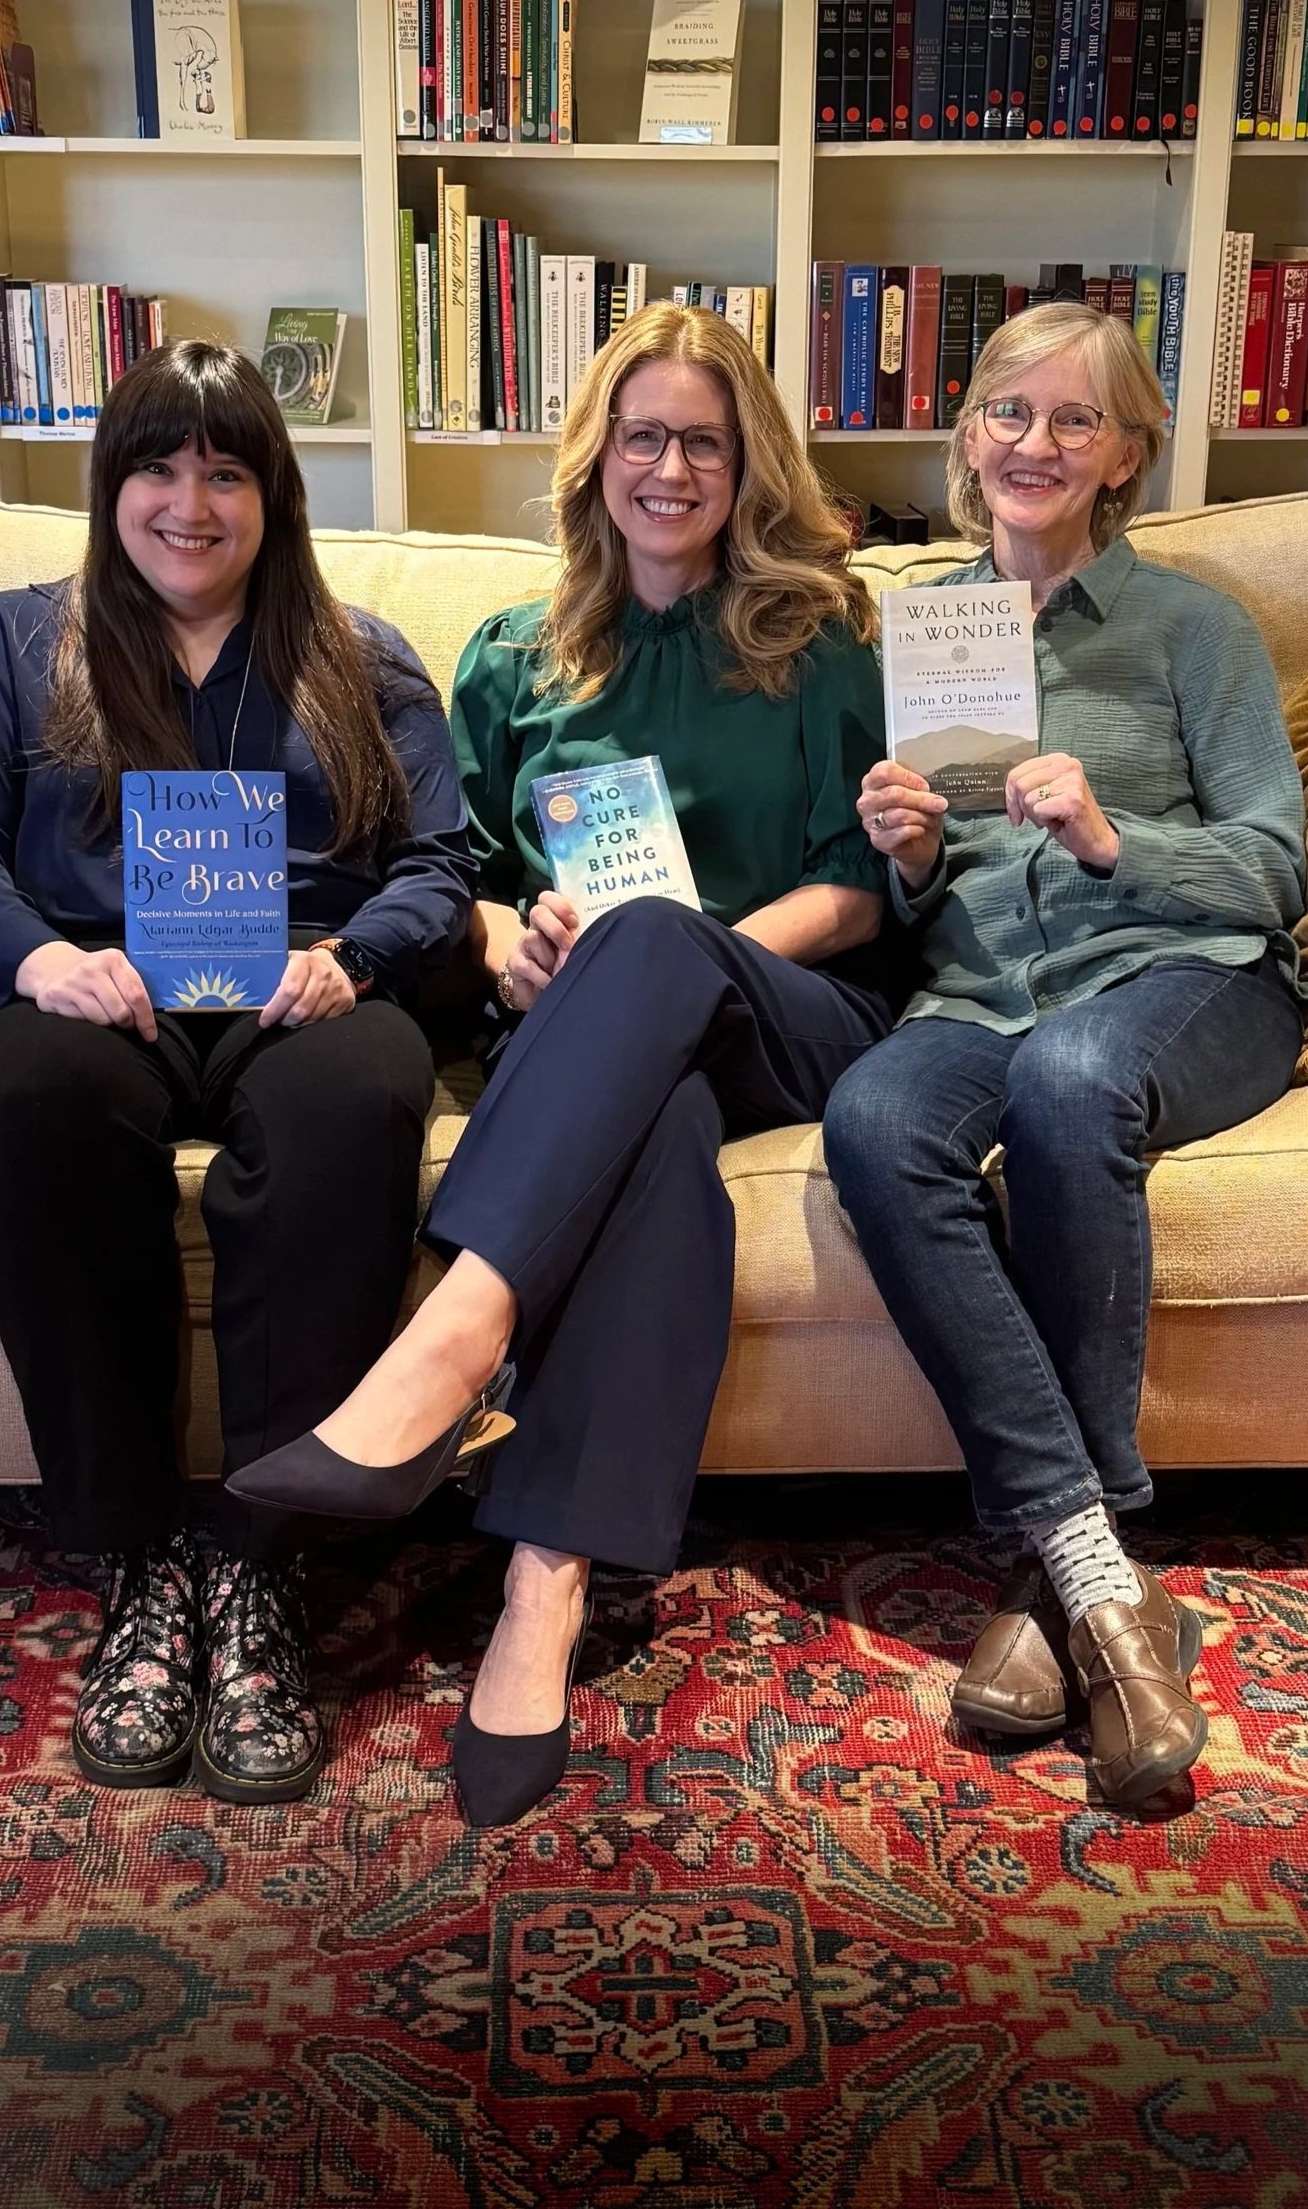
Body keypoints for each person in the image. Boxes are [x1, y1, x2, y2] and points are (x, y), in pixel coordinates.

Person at [228, 302, 894, 1827]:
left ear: (747, 465)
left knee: (655, 946)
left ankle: (447, 1348)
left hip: (791, 1010)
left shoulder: (822, 636)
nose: (670, 468)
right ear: (597, 457)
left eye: (704, 443)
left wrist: (668, 954)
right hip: (601, 1046)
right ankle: (544, 1584)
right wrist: (504, 943)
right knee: (648, 1124)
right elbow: (451, 874)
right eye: (642, 436)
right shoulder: (515, 656)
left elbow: (858, 889)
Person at [0, 340, 473, 1806]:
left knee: (357, 1101)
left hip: (304, 982)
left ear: (271, 494)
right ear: (110, 488)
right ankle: (140, 1552)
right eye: (157, 466)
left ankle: (262, 1561)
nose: (189, 502)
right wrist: (34, 962)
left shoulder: (363, 655)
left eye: (226, 471)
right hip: (96, 984)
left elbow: (438, 864)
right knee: (30, 1096)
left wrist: (356, 955)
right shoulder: (12, 641)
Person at [821, 299, 1308, 1810]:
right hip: (974, 995)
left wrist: (1111, 836)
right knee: (870, 1113)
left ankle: (1062, 1577)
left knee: (1070, 1080)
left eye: (1073, 421)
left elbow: (1274, 873)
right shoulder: (923, 626)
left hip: (1182, 979)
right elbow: (922, 903)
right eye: (1006, 414)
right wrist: (903, 857)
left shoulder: (1192, 627)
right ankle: (1090, 1572)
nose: (1033, 443)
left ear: (1124, 454)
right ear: (966, 438)